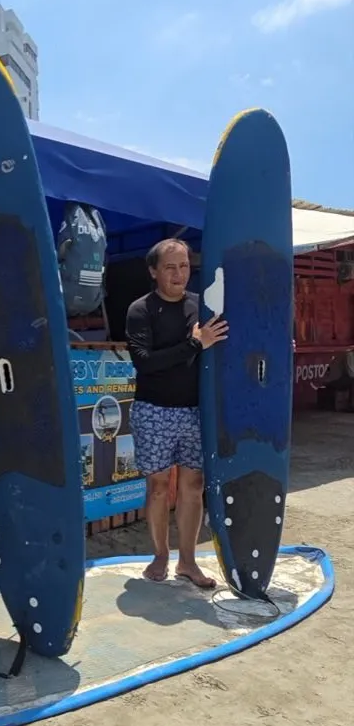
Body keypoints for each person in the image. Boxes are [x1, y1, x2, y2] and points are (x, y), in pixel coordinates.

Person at [125, 238, 227, 587]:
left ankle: (188, 561)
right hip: (153, 411)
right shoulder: (140, 310)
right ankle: (160, 555)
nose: (179, 273)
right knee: (157, 487)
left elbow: (229, 343)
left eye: (184, 266)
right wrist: (196, 343)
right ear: (154, 271)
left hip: (195, 412)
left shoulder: (203, 307)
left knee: (193, 486)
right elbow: (145, 363)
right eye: (170, 267)